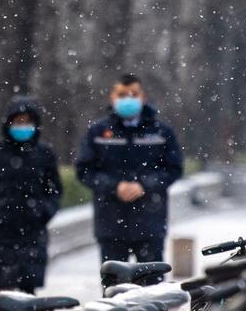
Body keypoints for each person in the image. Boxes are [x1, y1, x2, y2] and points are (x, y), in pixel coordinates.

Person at [75, 73, 183, 264]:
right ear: (113, 97)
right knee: (114, 288)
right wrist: (114, 186)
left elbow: (174, 168)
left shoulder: (160, 132)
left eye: (134, 94)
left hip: (150, 222)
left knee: (152, 289)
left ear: (143, 97)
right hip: (110, 223)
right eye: (123, 94)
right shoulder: (98, 132)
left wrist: (144, 186)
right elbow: (84, 170)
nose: (128, 99)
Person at [0, 97, 62, 293]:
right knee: (5, 289)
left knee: (29, 290)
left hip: (33, 231)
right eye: (18, 122)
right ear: (9, 123)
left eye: (27, 121)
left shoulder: (45, 154)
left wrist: (44, 212)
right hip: (2, 231)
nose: (23, 126)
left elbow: (55, 190)